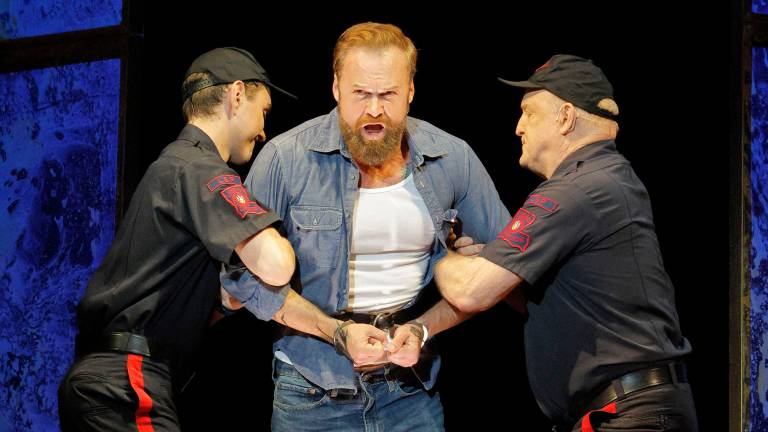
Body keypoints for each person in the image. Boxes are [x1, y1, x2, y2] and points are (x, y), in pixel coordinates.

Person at [221, 22, 511, 430]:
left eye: (388, 94)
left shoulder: (452, 158)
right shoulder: (285, 159)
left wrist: (424, 328)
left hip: (409, 392)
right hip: (310, 390)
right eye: (360, 93)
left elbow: (506, 267)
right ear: (336, 88)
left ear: (410, 92)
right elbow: (238, 279)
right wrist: (336, 332)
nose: (374, 109)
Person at [434, 54, 698, 431]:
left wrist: (440, 256)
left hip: (632, 417)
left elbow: (470, 293)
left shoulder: (575, 191)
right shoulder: (608, 178)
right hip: (633, 411)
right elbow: (562, 302)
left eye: (529, 112)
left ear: (566, 117)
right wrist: (494, 271)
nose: (518, 127)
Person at [57, 47, 298, 431]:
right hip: (128, 381)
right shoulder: (199, 167)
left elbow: (182, 292)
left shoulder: (173, 166)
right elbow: (276, 263)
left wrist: (227, 296)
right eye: (263, 112)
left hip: (109, 380)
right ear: (236, 95)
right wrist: (281, 240)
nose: (263, 130)